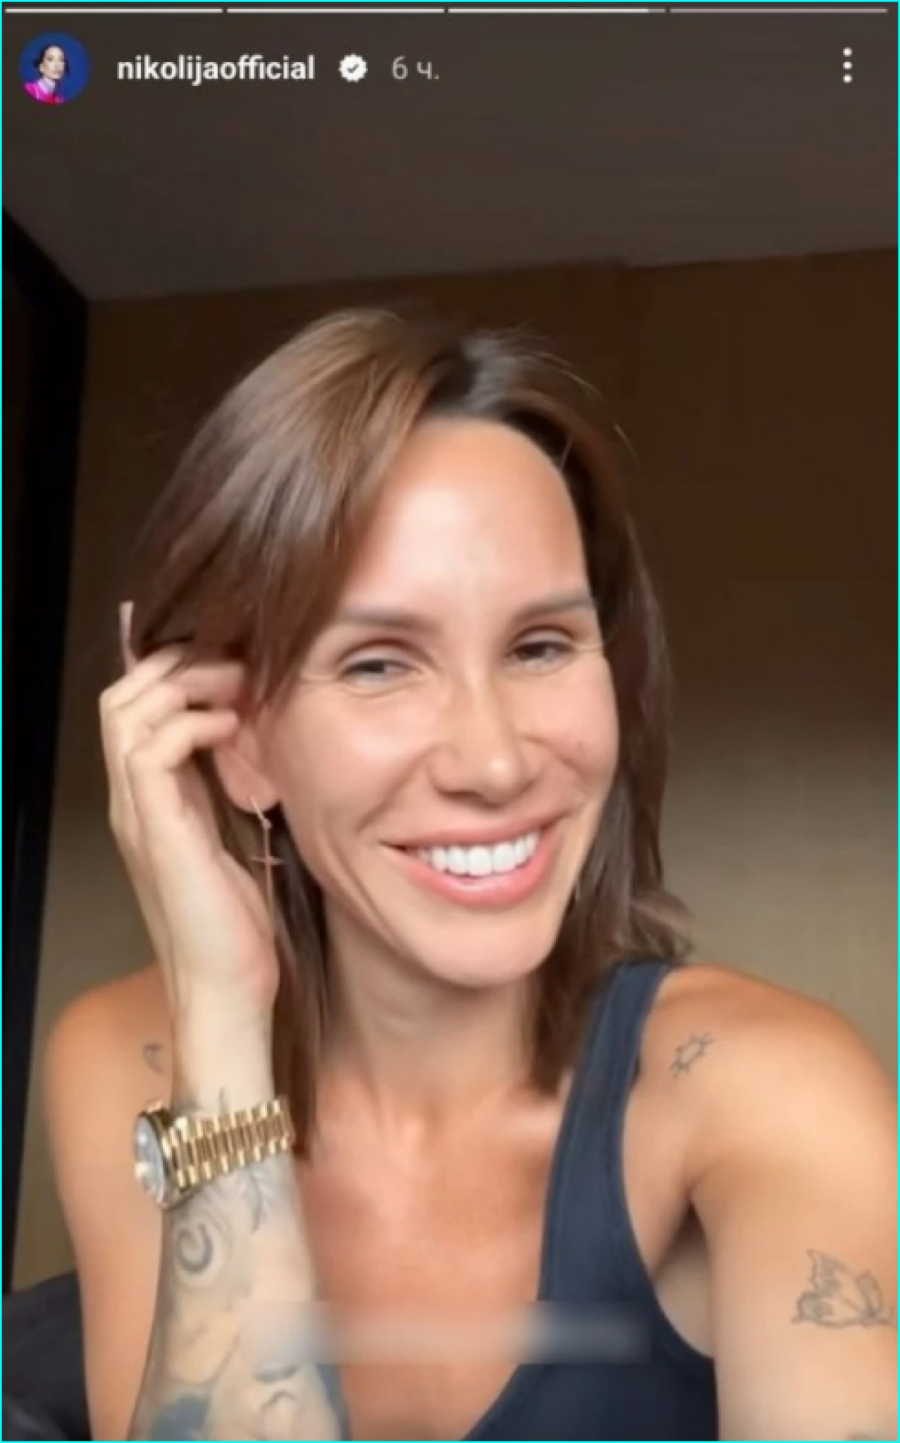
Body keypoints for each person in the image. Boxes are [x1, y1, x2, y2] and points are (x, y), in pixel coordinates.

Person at [45, 308, 896, 1442]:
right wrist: (223, 1024)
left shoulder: (766, 1083)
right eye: (378, 663)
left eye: (540, 646)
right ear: (236, 740)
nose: (494, 764)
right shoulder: (133, 1056)